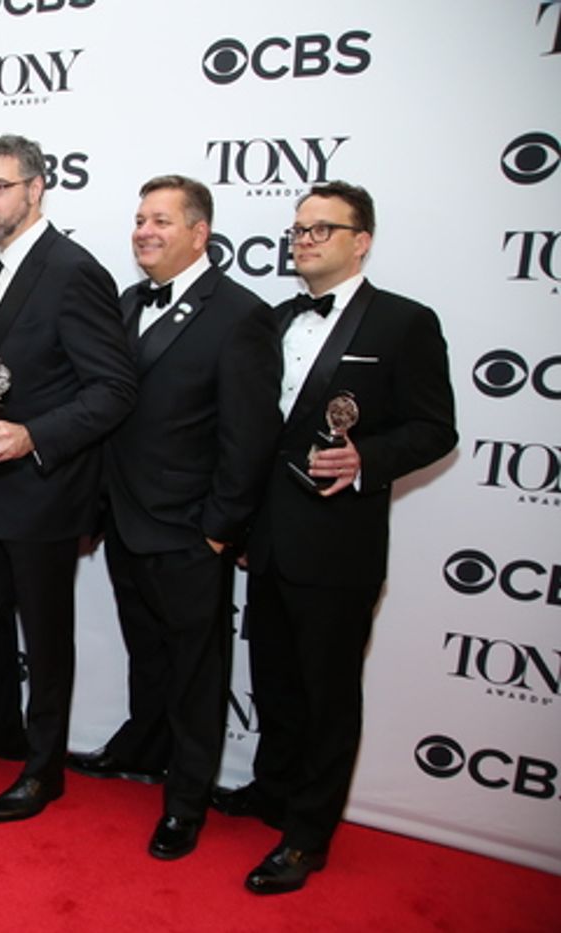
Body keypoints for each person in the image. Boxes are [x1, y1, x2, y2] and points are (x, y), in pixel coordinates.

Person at [215, 181, 456, 894]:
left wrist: (366, 459)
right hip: (268, 537)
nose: (305, 239)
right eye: (299, 228)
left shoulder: (404, 322)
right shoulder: (274, 319)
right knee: (274, 681)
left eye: (323, 228)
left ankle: (308, 833)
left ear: (362, 240)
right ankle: (272, 790)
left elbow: (435, 428)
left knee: (328, 693)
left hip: (338, 543)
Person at [65, 176, 281, 859]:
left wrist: (218, 529)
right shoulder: (127, 303)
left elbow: (249, 437)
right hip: (126, 521)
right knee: (149, 655)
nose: (144, 231)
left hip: (190, 531)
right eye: (139, 219)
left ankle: (187, 801)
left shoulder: (241, 315)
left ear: (199, 232)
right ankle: (144, 748)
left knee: (195, 673)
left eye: (160, 219)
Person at [0, 135, 138, 823]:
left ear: (36, 190)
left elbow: (114, 388)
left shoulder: (72, 270)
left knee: (45, 636)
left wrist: (34, 435)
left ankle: (44, 770)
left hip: (45, 490)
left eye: (0, 186)